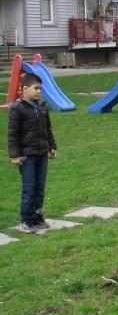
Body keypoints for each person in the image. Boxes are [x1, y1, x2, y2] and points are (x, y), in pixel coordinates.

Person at [7, 73, 57, 234]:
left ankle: (37, 217)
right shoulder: (17, 108)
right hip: (26, 155)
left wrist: (52, 146)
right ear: (25, 88)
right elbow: (12, 134)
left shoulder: (42, 106)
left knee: (40, 187)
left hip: (42, 153)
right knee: (29, 188)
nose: (39, 92)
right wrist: (14, 155)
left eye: (40, 89)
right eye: (36, 88)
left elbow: (47, 129)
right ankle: (26, 220)